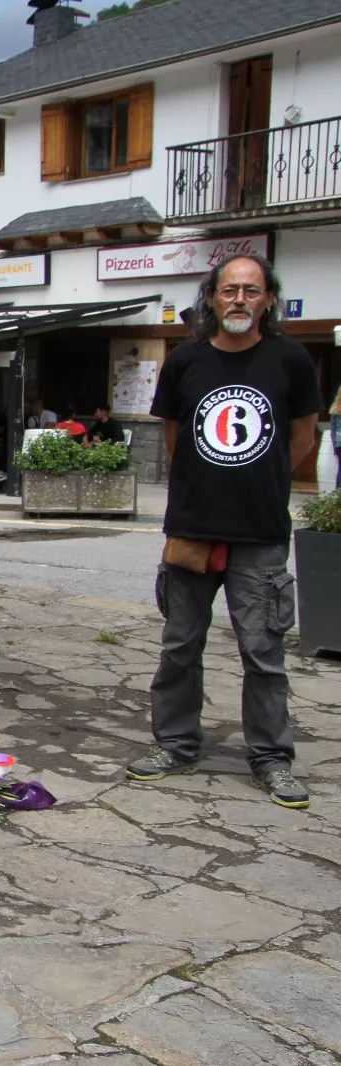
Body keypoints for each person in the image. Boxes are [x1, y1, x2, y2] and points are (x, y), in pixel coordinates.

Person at [128, 254, 319, 809]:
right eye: (229, 290)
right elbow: (174, 442)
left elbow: (301, 440)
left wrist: (256, 483)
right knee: (180, 645)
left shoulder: (290, 360)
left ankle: (271, 757)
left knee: (263, 653)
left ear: (267, 300)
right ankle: (175, 743)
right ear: (211, 298)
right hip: (191, 531)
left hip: (259, 533)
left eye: (251, 291)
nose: (239, 299)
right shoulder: (185, 362)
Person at [329, 391, 341, 490]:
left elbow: (332, 432)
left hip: (338, 444)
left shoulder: (335, 413)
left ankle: (338, 493)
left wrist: (334, 446)